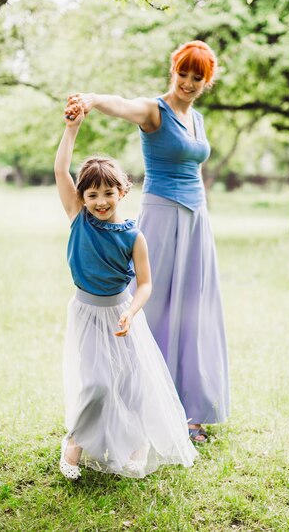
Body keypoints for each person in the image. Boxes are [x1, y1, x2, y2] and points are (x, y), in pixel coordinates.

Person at [66, 40, 229, 443]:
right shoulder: (154, 111)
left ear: (207, 81)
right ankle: (139, 406)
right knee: (151, 308)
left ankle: (191, 412)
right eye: (183, 73)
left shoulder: (199, 120)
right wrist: (90, 99)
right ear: (173, 71)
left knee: (195, 310)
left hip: (196, 220)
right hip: (161, 214)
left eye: (198, 77)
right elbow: (119, 103)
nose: (188, 82)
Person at [54, 102, 197, 480]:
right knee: (97, 382)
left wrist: (132, 312)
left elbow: (145, 283)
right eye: (92, 195)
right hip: (86, 312)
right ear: (82, 199)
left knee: (133, 382)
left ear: (123, 191)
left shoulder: (134, 236)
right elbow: (60, 170)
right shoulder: (78, 219)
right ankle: (74, 447)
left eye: (107, 193)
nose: (100, 202)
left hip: (122, 314)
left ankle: (139, 444)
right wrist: (72, 130)